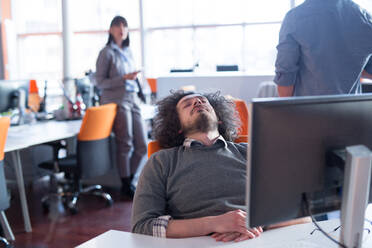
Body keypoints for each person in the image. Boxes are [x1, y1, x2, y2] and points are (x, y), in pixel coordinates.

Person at [131, 91, 307, 242]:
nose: (197, 102)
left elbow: (303, 211)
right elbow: (142, 226)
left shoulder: (251, 152)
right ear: (178, 126)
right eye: (187, 104)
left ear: (219, 119)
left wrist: (253, 223)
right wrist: (214, 223)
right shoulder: (161, 161)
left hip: (259, 239)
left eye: (202, 100)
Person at [274, 0, 372, 97]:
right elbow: (368, 71)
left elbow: (285, 81)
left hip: (308, 110)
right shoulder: (365, 18)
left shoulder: (294, 18)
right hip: (352, 110)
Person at [95, 16, 147, 198]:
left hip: (133, 99)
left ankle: (131, 180)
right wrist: (123, 78)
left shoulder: (128, 51)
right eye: (117, 25)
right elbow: (100, 82)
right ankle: (126, 184)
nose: (121, 29)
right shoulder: (106, 53)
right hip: (117, 100)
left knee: (142, 145)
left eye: (125, 25)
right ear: (110, 30)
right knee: (125, 143)